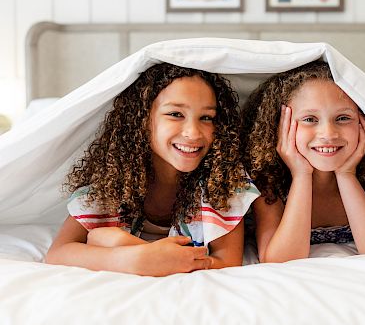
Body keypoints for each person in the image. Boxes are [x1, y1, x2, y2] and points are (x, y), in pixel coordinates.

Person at [46, 63, 260, 276]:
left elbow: (227, 262)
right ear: (142, 119)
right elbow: (58, 254)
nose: (193, 133)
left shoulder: (223, 179)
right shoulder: (113, 180)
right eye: (176, 114)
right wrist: (133, 259)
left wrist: (126, 245)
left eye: (206, 118)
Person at [241, 60, 365, 263]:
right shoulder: (269, 179)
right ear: (280, 125)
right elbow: (279, 259)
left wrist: (346, 174)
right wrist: (301, 175)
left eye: (342, 118)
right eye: (310, 119)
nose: (328, 134)